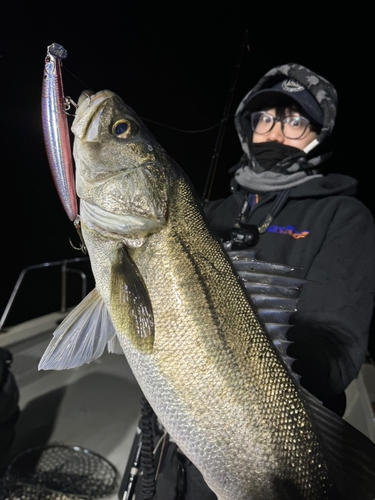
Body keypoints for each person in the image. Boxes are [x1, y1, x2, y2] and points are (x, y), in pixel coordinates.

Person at [119, 63, 375, 499]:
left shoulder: (343, 216)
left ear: (318, 132)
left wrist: (245, 390)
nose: (276, 130)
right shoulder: (209, 212)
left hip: (260, 448)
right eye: (264, 117)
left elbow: (338, 344)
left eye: (295, 119)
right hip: (171, 432)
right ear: (247, 128)